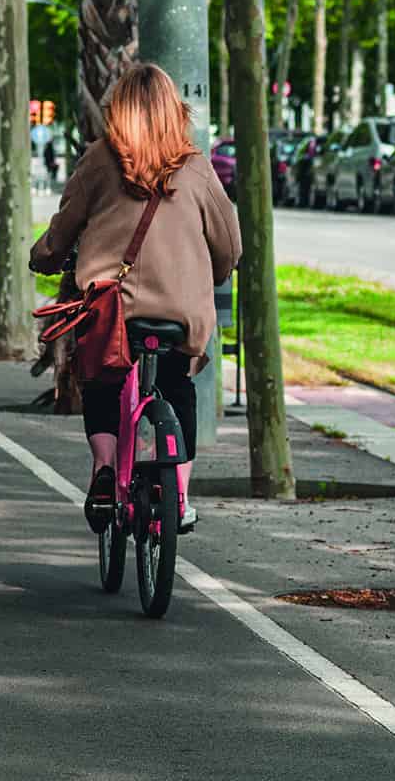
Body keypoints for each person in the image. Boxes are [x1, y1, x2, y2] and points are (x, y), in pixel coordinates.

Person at [30, 63, 241, 534]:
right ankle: (180, 498)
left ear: (119, 110)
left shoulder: (100, 158)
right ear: (174, 110)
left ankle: (106, 471)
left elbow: (64, 228)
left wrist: (44, 256)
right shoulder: (196, 165)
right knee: (179, 389)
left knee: (103, 382)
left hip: (113, 308)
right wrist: (219, 270)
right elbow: (229, 243)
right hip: (180, 313)